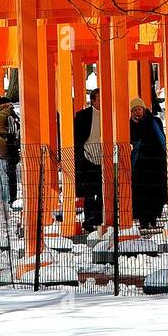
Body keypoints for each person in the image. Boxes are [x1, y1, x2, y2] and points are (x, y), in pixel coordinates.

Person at [128, 96, 168, 228]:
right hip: (140, 165)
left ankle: (153, 217)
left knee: (155, 191)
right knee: (141, 193)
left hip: (155, 163)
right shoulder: (130, 124)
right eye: (134, 110)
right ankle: (144, 219)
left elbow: (161, 140)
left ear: (144, 109)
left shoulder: (154, 121)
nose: (137, 112)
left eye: (139, 109)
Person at [72, 89, 103, 231]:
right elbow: (77, 138)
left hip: (105, 159)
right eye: (100, 98)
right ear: (93, 100)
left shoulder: (110, 114)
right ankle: (89, 220)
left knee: (103, 191)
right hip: (88, 158)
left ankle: (100, 218)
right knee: (90, 192)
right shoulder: (83, 116)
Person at [0, 101, 21, 210]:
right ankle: (13, 198)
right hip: (12, 150)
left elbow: (0, 130)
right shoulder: (12, 114)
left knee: (3, 176)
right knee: (12, 176)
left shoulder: (0, 116)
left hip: (2, 150)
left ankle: (6, 200)